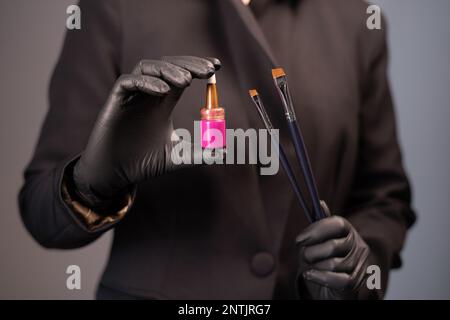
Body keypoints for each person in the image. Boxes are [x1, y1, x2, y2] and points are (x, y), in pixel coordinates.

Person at [19, 0, 415, 299]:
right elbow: (40, 210)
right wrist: (91, 183)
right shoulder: (117, 7)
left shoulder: (356, 21)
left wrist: (357, 267)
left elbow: (386, 198)